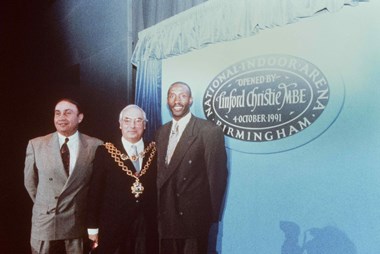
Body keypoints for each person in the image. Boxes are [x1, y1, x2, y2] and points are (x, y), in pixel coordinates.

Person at [155, 82, 228, 254]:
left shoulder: (208, 130)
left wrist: (211, 218)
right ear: (167, 100)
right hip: (166, 217)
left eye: (182, 96)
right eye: (172, 95)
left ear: (190, 100)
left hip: (194, 220)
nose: (177, 100)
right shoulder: (161, 132)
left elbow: (217, 176)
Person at [24, 98, 103, 254]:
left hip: (76, 223)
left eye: (68, 113)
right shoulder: (36, 144)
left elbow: (98, 186)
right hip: (45, 222)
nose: (61, 118)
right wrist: (47, 204)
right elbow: (30, 183)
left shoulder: (96, 146)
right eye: (57, 113)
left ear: (80, 117)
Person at [86, 104, 158, 254]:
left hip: (145, 227)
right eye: (127, 120)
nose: (132, 125)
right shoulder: (105, 151)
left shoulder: (154, 150)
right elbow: (95, 192)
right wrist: (92, 228)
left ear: (144, 125)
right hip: (114, 227)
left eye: (138, 121)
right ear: (120, 125)